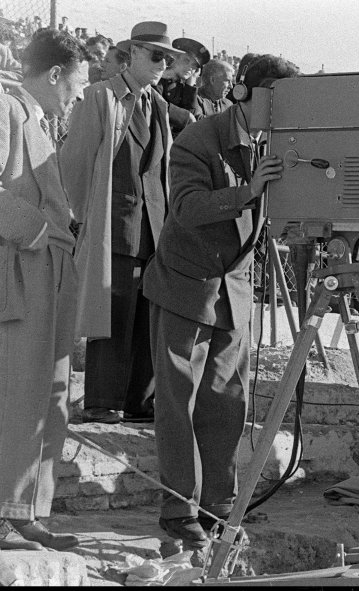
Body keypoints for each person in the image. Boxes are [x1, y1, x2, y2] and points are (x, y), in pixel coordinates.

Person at [141, 54, 298, 549]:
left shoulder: (279, 143)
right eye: (277, 96)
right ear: (246, 94)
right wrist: (249, 191)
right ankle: (178, 510)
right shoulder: (198, 138)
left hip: (233, 290)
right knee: (178, 405)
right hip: (185, 287)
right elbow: (185, 208)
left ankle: (220, 507)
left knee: (227, 405)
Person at [62, 21, 179, 425]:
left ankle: (138, 402)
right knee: (111, 315)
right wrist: (87, 216)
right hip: (114, 228)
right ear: (132, 53)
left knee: (147, 318)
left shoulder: (159, 106)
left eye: (167, 58)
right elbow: (74, 163)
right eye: (156, 55)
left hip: (154, 231)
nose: (163, 64)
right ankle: (102, 401)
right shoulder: (101, 98)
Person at [0, 28, 89, 551]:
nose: (77, 98)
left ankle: (26, 511)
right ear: (55, 73)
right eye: (75, 86)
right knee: (16, 395)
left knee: (47, 396)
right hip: (21, 271)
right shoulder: (5, 105)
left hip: (47, 270)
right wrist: (35, 231)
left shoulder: (34, 114)